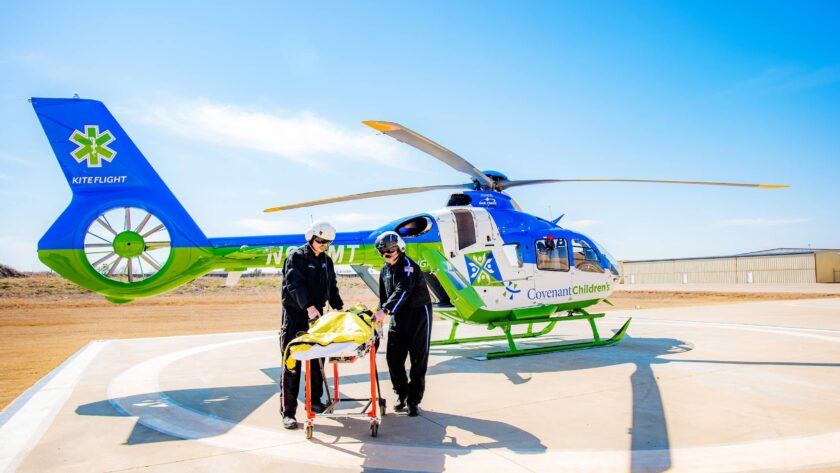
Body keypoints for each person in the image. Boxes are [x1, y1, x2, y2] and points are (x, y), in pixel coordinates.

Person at [279, 221, 343, 429]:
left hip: (317, 318)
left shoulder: (327, 261)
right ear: (311, 238)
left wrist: (339, 308)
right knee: (292, 364)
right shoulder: (296, 257)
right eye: (320, 241)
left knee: (317, 362)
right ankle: (288, 412)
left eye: (327, 242)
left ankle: (314, 402)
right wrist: (308, 307)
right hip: (296, 316)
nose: (323, 245)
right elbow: (293, 284)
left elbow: (331, 287)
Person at [371, 231, 432, 417]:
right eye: (383, 252)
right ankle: (402, 393)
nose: (387, 254)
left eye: (390, 250)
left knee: (417, 360)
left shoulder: (408, 266)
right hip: (398, 316)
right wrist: (379, 312)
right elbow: (384, 296)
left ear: (399, 248)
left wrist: (386, 311)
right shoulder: (384, 269)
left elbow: (402, 291)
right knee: (393, 358)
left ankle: (414, 400)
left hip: (418, 315)